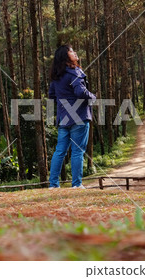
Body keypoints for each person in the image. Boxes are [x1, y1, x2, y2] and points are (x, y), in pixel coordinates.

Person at [48, 44, 96, 189]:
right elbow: (81, 92)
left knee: (59, 151)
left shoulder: (56, 76)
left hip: (64, 118)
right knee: (77, 151)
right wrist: (92, 97)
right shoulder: (75, 72)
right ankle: (76, 184)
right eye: (71, 51)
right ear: (65, 56)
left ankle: (53, 185)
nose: (75, 53)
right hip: (79, 116)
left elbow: (51, 96)